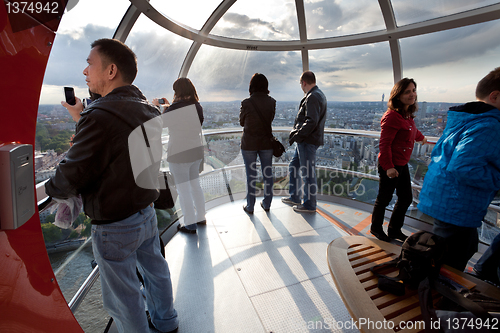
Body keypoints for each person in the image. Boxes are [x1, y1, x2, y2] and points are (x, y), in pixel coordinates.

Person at [45, 38, 178, 333]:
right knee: (156, 272)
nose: (84, 71)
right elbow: (120, 151)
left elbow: (72, 174)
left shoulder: (100, 116)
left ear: (111, 71)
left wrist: (51, 189)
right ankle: (167, 322)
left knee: (124, 295)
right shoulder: (147, 110)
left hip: (115, 222)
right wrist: (83, 117)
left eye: (90, 63)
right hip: (145, 212)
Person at [418, 67, 500, 271]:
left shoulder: (463, 119)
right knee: (451, 261)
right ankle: (437, 298)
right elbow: (463, 166)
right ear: (495, 96)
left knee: (460, 248)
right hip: (457, 203)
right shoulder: (489, 125)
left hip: (445, 198)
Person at [370, 78, 427, 243]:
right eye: (407, 91)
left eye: (414, 90)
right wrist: (388, 167)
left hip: (401, 164)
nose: (412, 94)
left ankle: (394, 230)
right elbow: (384, 143)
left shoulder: (407, 116)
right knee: (384, 198)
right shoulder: (392, 116)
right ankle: (376, 228)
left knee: (405, 198)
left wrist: (422, 138)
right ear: (398, 95)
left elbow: (411, 131)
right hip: (391, 165)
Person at [153, 78, 205, 234]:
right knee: (195, 186)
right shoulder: (197, 106)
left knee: (183, 191)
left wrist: (158, 107)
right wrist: (170, 107)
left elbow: (160, 123)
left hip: (179, 153)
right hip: (195, 152)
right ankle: (201, 217)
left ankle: (190, 224)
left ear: (177, 92)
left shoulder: (175, 109)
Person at [282, 71, 327, 213]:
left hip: (307, 141)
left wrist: (297, 134)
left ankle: (309, 204)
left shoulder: (312, 97)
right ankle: (295, 196)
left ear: (304, 83)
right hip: (307, 140)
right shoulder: (319, 94)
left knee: (307, 174)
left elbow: (311, 121)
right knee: (294, 166)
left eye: (301, 84)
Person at [239, 73, 276, 214]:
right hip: (266, 143)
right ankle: (267, 203)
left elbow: (242, 122)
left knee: (251, 175)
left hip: (249, 143)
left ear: (251, 86)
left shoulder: (246, 103)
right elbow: (269, 120)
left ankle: (250, 206)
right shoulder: (272, 102)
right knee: (268, 174)